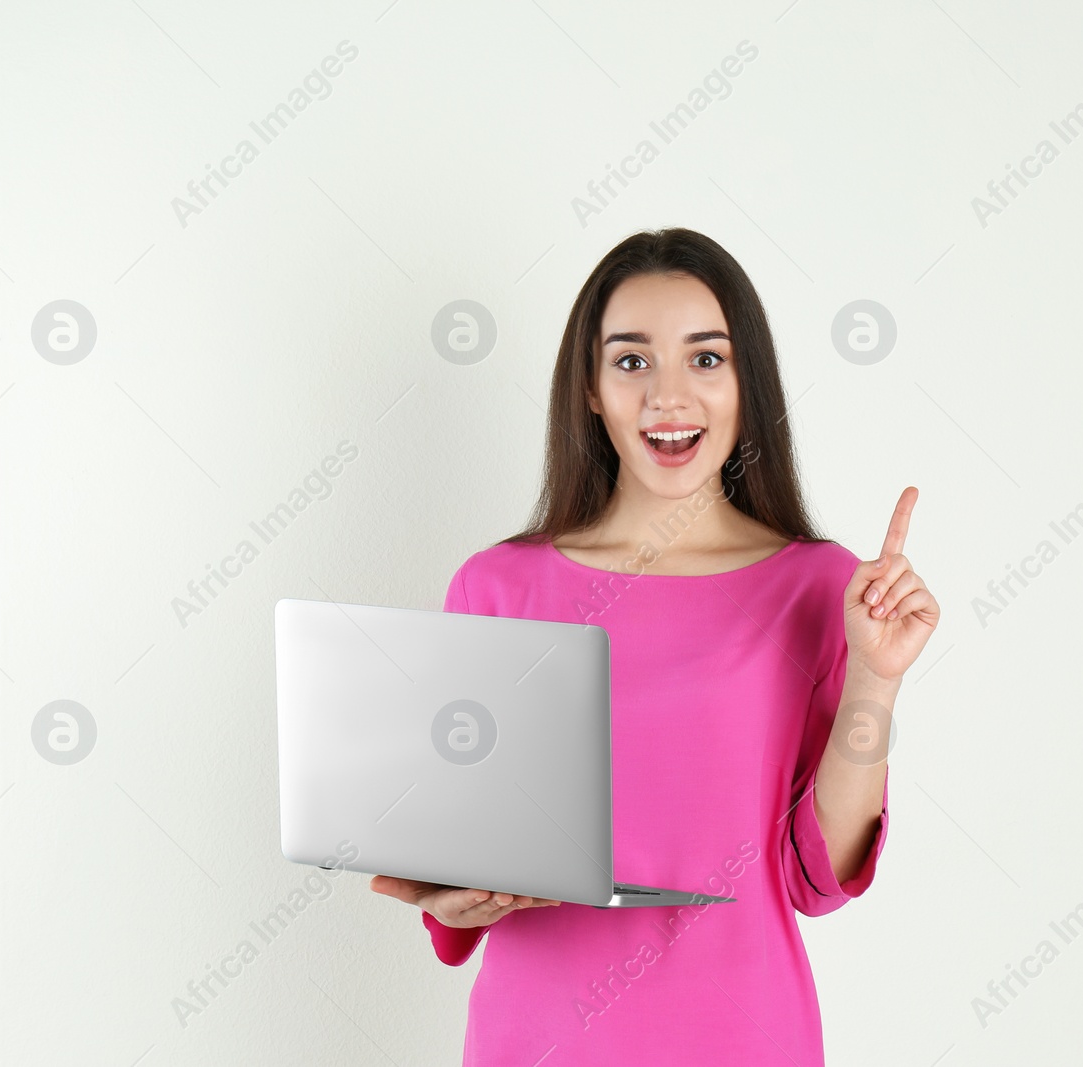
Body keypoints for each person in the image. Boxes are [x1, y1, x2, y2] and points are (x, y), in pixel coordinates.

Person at [370, 227, 939, 1064]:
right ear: (591, 391)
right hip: (537, 1039)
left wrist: (877, 682)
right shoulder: (496, 588)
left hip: (743, 1035)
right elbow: (460, 871)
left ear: (748, 385)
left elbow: (822, 874)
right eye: (632, 361)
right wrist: (455, 902)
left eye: (706, 359)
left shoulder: (820, 587)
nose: (669, 395)